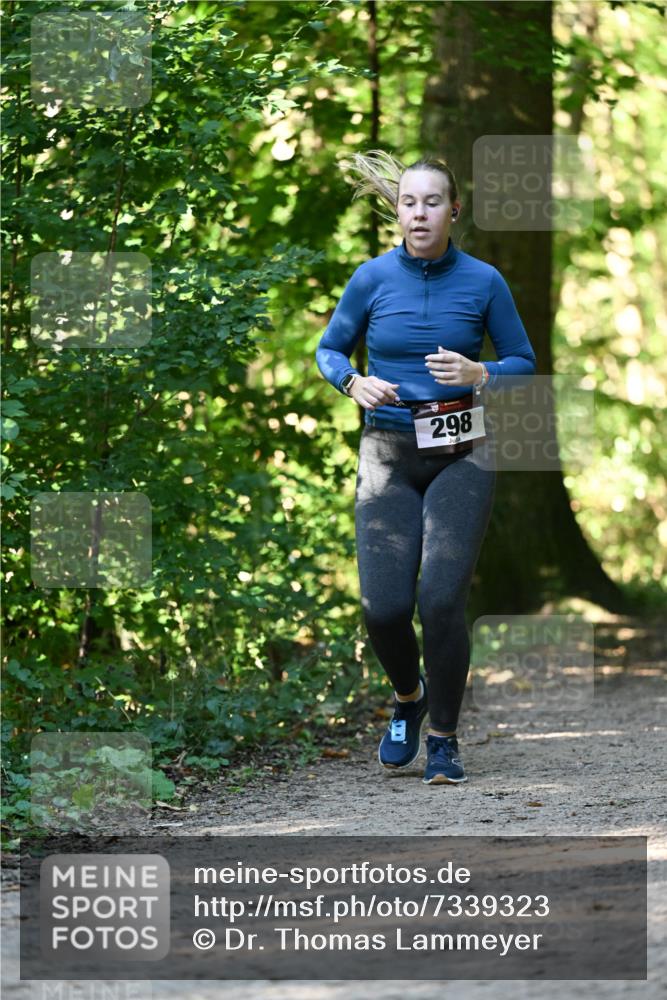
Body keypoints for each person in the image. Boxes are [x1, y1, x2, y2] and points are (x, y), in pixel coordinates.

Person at [315, 150, 537, 785]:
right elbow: (331, 349)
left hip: (463, 453)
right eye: (409, 202)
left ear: (453, 210)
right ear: (397, 210)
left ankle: (443, 737)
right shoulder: (371, 279)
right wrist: (351, 383)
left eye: (432, 201)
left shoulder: (484, 281)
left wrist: (482, 372)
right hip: (387, 452)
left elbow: (522, 360)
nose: (419, 212)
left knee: (440, 599)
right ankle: (408, 698)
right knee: (383, 608)